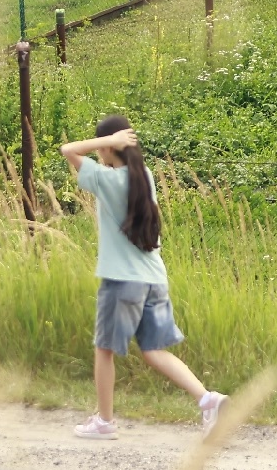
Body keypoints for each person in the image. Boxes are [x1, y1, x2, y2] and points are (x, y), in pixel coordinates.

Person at [60, 112, 226, 440]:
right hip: (154, 279)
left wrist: (108, 140)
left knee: (104, 349)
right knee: (153, 349)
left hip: (122, 281)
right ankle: (209, 400)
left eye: (103, 147)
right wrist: (116, 143)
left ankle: (105, 422)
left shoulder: (106, 181)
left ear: (109, 149)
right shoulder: (144, 176)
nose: (98, 153)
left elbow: (68, 149)